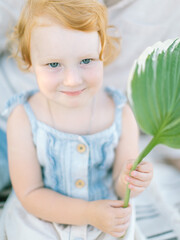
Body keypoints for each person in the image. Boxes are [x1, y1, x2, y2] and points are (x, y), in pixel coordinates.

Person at [0, 0, 153, 239]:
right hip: (42, 218)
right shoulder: (22, 117)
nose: (72, 80)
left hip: (104, 219)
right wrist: (86, 212)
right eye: (53, 64)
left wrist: (130, 180)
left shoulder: (120, 114)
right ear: (29, 62)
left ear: (102, 50)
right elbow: (30, 193)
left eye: (86, 61)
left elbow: (119, 187)